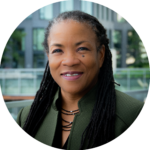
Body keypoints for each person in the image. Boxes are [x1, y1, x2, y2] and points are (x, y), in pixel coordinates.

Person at [16, 10, 145, 149]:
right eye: (58, 50)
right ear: (49, 57)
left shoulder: (132, 115)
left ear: (100, 55)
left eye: (82, 48)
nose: (70, 61)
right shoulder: (27, 117)